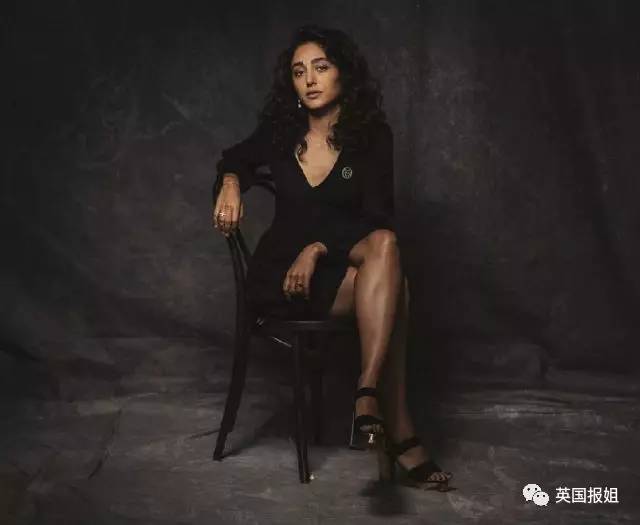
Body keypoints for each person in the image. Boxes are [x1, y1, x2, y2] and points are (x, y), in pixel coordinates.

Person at [212, 24, 452, 490]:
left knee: (385, 244)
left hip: (335, 268)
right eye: (299, 71)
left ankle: (366, 392)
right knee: (396, 290)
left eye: (321, 67)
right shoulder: (280, 134)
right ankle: (398, 430)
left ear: (344, 73)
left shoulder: (371, 137)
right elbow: (233, 157)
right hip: (281, 278)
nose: (309, 79)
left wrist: (319, 248)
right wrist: (232, 181)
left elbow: (377, 218)